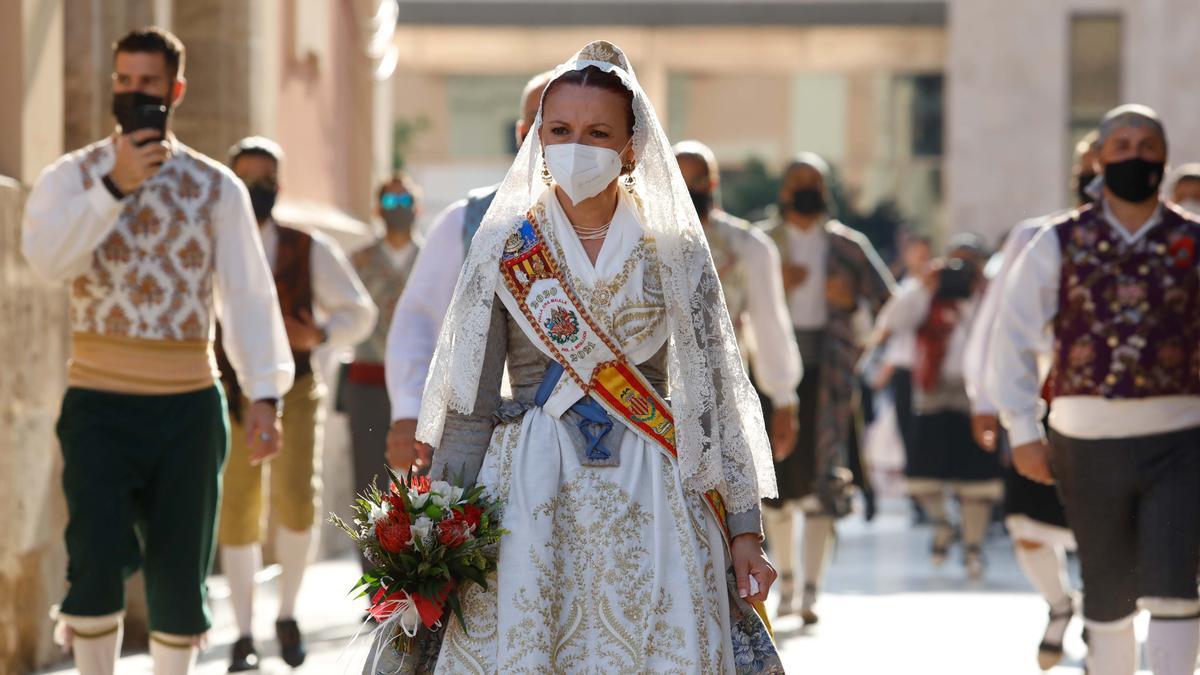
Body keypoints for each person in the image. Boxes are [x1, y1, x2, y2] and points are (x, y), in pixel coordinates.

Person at [383, 41, 782, 673]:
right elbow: (469, 407)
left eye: (598, 132)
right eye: (561, 130)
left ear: (631, 145)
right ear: (537, 139)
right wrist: (436, 531)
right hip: (530, 492)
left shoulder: (677, 248)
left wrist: (744, 531)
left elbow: (716, 400)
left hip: (656, 489)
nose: (578, 146)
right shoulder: (504, 246)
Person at [21, 28, 293, 675]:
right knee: (92, 557)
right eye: (123, 81)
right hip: (98, 403)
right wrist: (111, 187)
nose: (133, 93)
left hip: (187, 410)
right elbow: (47, 261)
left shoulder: (215, 186)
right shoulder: (73, 176)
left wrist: (263, 393)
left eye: (147, 83)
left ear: (174, 91)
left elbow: (249, 297)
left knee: (179, 571)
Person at [991, 104, 1200, 675]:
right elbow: (1011, 335)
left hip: (1182, 438)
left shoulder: (1194, 240)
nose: (1135, 155)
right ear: (1101, 158)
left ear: (1164, 156)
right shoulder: (1059, 241)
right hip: (1084, 441)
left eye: (1147, 145)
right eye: (1122, 144)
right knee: (1106, 588)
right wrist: (1021, 429)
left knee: (1176, 586)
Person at [217, 137, 377, 671]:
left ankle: (286, 614)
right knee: (236, 504)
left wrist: (322, 334)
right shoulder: (212, 241)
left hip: (298, 387)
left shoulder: (307, 247)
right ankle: (242, 632)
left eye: (265, 180)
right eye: (245, 179)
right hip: (229, 389)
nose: (255, 190)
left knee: (296, 501)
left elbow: (359, 311)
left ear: (278, 187)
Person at [963, 130, 1099, 669]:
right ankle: (1060, 605)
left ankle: (1101, 625)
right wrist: (983, 397)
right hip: (1045, 408)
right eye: (1089, 166)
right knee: (1027, 527)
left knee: (1104, 529)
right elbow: (997, 323)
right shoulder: (1037, 238)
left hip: (1119, 414)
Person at [384, 70, 554, 472]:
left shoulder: (628, 231)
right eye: (537, 119)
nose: (547, 133)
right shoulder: (468, 221)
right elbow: (417, 321)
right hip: (479, 440)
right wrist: (409, 411)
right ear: (519, 130)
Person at [758, 152, 895, 623]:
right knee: (772, 485)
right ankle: (787, 581)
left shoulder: (848, 247)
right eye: (797, 181)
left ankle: (812, 589)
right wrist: (770, 285)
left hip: (829, 378)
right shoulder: (761, 244)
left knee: (822, 484)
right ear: (783, 190)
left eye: (813, 181)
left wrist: (851, 305)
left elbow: (889, 311)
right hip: (767, 378)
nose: (805, 189)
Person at [673, 139, 802, 461]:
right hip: (658, 389)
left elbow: (770, 324)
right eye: (681, 180)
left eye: (698, 181)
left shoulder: (749, 246)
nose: (690, 189)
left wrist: (784, 398)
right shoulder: (641, 240)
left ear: (713, 182)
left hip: (725, 388)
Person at [878, 236, 999, 580]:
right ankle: (943, 525)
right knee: (922, 474)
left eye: (969, 264)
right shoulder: (927, 295)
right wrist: (923, 286)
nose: (960, 273)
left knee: (978, 478)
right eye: (954, 264)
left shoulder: (991, 297)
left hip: (978, 397)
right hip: (932, 392)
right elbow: (891, 321)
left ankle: (973, 547)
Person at [346, 173, 421, 573]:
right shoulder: (356, 262)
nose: (399, 210)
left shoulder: (431, 261)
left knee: (419, 476)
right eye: (390, 203)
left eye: (405, 201)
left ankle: (419, 571)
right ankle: (375, 578)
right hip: (369, 379)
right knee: (369, 477)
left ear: (417, 207)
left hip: (417, 383)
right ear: (377, 210)